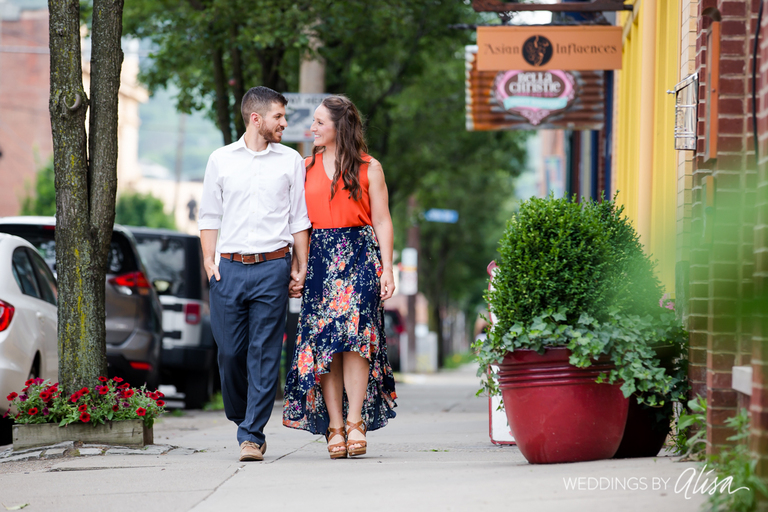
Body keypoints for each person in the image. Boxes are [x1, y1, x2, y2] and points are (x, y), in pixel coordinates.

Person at [199, 86, 311, 462]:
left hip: (273, 267)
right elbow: (209, 216)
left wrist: (301, 264)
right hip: (228, 268)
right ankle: (242, 417)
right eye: (279, 117)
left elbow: (299, 218)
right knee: (230, 353)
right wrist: (208, 259)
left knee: (264, 353)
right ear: (256, 118)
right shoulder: (221, 159)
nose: (285, 123)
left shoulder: (291, 160)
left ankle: (251, 433)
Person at [282, 95, 397, 459]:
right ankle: (333, 427)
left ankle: (354, 421)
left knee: (357, 342)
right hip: (319, 259)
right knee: (325, 348)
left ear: (339, 127)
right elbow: (297, 222)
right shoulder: (304, 167)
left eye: (318, 122)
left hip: (361, 255)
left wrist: (389, 269)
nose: (311, 128)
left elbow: (382, 220)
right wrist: (298, 265)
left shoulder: (369, 168)